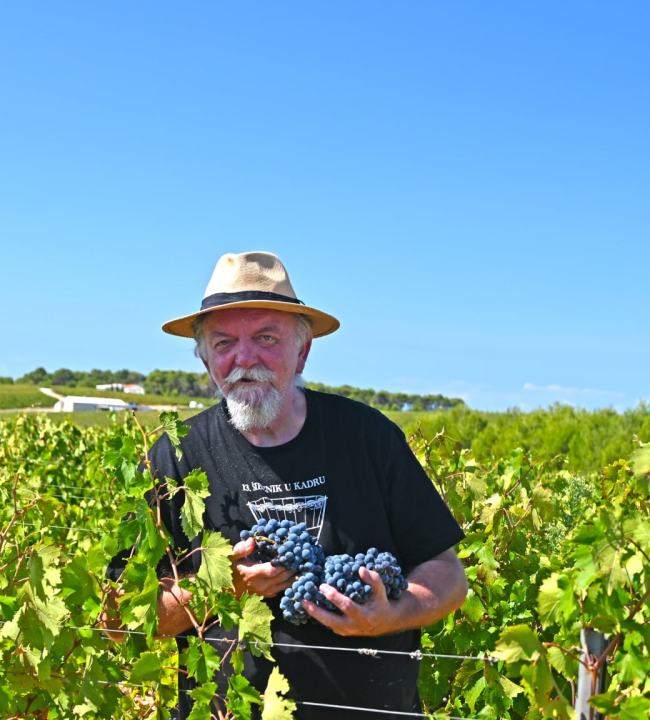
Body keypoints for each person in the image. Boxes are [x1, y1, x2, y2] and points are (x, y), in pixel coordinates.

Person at [111, 251, 469, 719]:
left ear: (302, 351)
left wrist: (394, 614)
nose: (244, 359)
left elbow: (447, 573)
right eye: (223, 344)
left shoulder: (368, 436)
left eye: (266, 338)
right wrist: (223, 586)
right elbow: (120, 621)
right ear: (204, 360)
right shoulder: (174, 456)